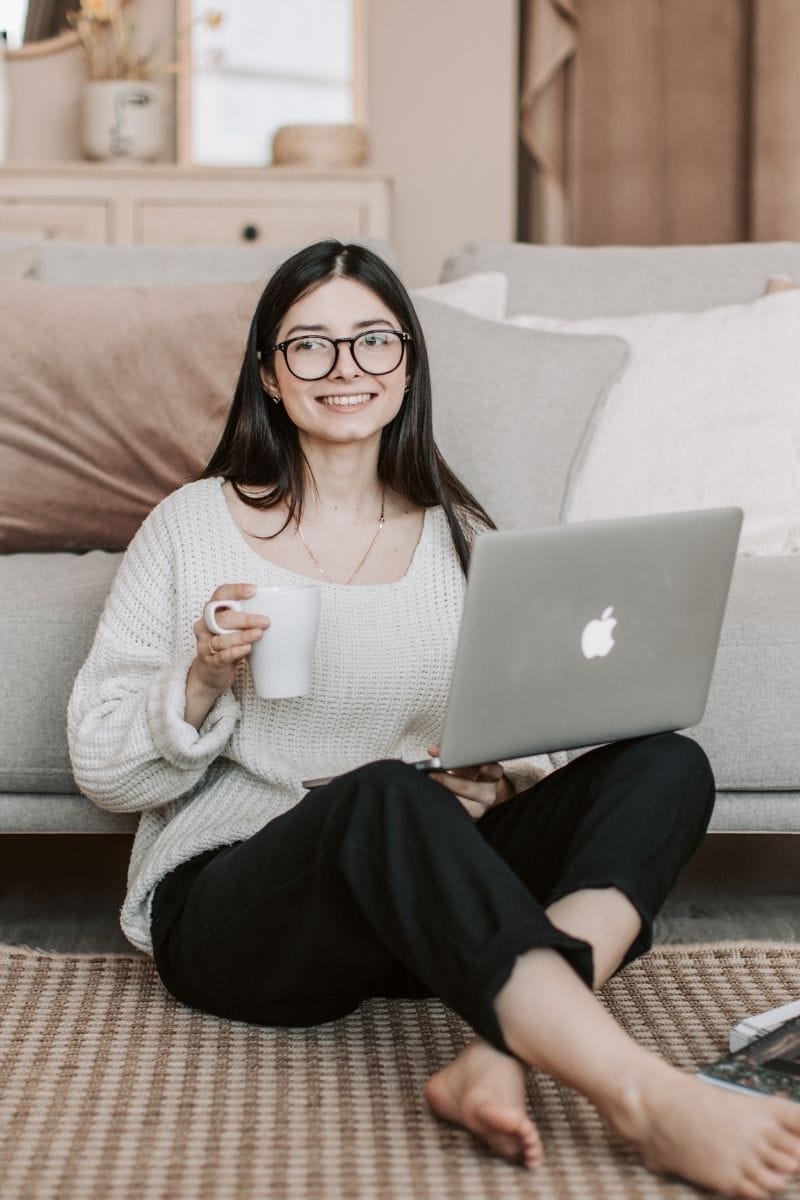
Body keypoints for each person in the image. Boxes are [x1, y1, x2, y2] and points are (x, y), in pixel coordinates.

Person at [68, 239, 800, 1196]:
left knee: (664, 764)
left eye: (374, 341)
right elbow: (103, 766)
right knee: (381, 794)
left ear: (407, 364)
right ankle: (639, 1095)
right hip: (240, 913)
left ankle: (503, 1043)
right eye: (312, 347)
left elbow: (519, 728)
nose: (347, 369)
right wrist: (201, 676)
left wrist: (500, 778)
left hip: (413, 900)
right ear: (270, 377)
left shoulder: (459, 532)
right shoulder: (194, 524)